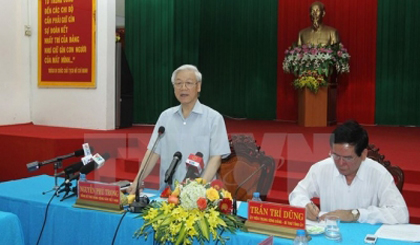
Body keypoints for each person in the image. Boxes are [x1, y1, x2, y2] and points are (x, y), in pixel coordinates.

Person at [129, 64, 231, 193]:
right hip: (167, 192)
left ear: (198, 86)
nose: (183, 88)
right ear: (173, 88)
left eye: (189, 83)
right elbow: (153, 152)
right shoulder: (165, 117)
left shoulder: (213, 118)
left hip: (199, 198)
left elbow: (216, 159)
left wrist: (198, 191)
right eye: (178, 83)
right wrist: (137, 180)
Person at [289, 120, 409, 224]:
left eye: (348, 158)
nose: (340, 163)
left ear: (363, 154)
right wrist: (305, 205)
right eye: (335, 155)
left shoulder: (378, 174)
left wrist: (356, 215)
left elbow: (401, 214)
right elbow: (296, 194)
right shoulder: (321, 168)